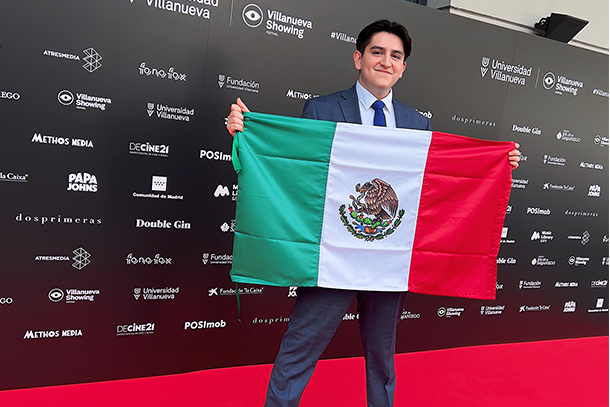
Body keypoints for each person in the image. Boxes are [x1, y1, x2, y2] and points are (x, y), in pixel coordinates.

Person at [226, 20, 520, 407]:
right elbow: (295, 169)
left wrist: (496, 165)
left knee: (382, 357)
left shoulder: (418, 123)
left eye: (395, 56)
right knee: (300, 345)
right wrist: (247, 133)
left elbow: (436, 187)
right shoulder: (323, 108)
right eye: (377, 52)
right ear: (358, 58)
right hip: (332, 257)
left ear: (403, 67)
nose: (386, 61)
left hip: (390, 262)